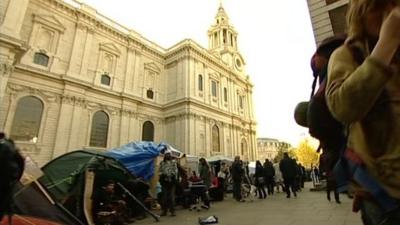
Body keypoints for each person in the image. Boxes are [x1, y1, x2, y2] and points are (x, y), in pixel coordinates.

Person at [325, 0, 400, 223]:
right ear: (361, 14)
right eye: (379, 7)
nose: (390, 14)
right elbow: (343, 106)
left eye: (394, 6)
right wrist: (387, 43)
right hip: (386, 196)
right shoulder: (346, 55)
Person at [158, 150, 178, 216]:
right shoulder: (162, 163)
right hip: (164, 182)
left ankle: (172, 211)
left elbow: (175, 171)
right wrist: (164, 175)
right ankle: (164, 211)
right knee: (164, 197)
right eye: (166, 154)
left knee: (171, 197)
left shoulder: (174, 162)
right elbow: (159, 171)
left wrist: (170, 176)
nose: (168, 155)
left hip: (172, 182)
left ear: (171, 155)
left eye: (169, 154)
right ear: (165, 155)